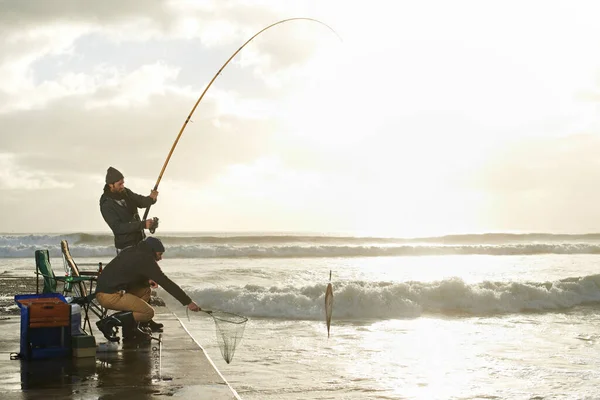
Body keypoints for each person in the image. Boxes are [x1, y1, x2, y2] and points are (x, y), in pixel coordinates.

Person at [95, 237, 201, 343]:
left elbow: (128, 274)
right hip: (110, 295)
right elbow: (166, 282)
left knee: (145, 290)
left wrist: (147, 282)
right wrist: (188, 302)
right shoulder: (145, 259)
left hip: (106, 291)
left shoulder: (132, 250)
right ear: (152, 251)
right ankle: (108, 322)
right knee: (148, 313)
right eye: (159, 254)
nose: (160, 258)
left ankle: (131, 331)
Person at [100, 166, 159, 252]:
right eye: (119, 184)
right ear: (110, 185)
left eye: (123, 183)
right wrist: (143, 225)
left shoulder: (125, 192)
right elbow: (118, 228)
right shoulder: (106, 204)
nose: (122, 186)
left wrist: (151, 198)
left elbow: (140, 201)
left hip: (139, 241)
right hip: (125, 247)